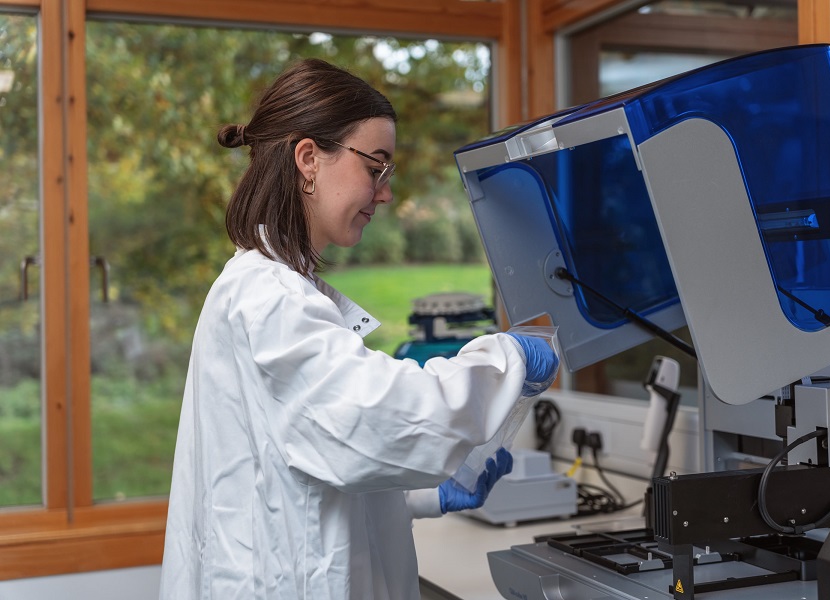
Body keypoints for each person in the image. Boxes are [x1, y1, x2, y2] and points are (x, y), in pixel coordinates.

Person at [159, 57, 559, 600]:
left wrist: (429, 494)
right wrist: (505, 360)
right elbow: (374, 418)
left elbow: (316, 456)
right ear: (308, 159)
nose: (386, 193)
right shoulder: (267, 298)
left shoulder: (280, 290)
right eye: (376, 167)